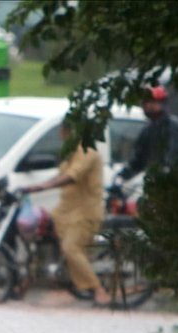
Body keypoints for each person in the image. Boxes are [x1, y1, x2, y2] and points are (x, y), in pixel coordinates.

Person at [23, 119, 110, 306]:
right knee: (39, 232)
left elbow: (72, 176)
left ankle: (97, 288)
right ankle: (33, 278)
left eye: (63, 133)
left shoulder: (88, 151)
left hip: (84, 212)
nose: (61, 137)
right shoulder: (71, 153)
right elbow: (61, 174)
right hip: (65, 210)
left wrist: (43, 186)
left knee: (71, 248)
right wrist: (36, 187)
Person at [118, 86, 178, 181]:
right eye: (146, 102)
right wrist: (122, 176)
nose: (148, 105)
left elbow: (174, 153)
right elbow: (138, 159)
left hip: (174, 182)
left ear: (162, 103)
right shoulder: (147, 130)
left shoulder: (172, 125)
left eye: (153, 102)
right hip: (153, 181)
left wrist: (163, 170)